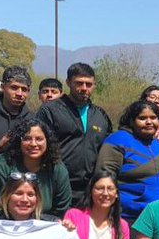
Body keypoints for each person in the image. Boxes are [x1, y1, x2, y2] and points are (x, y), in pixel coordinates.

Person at [34, 62, 113, 201]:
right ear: (68, 83)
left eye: (89, 84)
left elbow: (109, 148)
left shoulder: (100, 115)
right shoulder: (50, 111)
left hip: (90, 190)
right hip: (56, 186)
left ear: (94, 85)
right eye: (79, 83)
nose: (84, 88)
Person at [96, 100, 159, 223]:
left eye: (153, 118)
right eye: (142, 118)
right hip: (127, 217)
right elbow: (104, 178)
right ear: (132, 121)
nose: (149, 122)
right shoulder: (118, 140)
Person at [0, 119, 73, 219]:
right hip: (3, 225)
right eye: (27, 139)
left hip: (45, 225)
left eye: (39, 139)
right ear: (18, 141)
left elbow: (62, 208)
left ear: (47, 141)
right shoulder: (0, 166)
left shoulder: (57, 168)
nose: (33, 144)